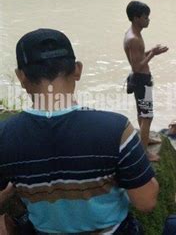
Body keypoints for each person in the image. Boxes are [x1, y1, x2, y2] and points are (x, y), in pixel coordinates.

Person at [0, 29, 159, 233]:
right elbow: (146, 202)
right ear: (77, 70)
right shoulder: (115, 129)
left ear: (21, 77)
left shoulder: (5, 135)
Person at [124, 0, 169, 162]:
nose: (148, 19)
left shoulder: (133, 34)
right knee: (147, 116)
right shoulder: (134, 38)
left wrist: (153, 51)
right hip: (141, 79)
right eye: (145, 17)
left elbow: (138, 57)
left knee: (142, 113)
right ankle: (144, 153)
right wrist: (153, 54)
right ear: (136, 18)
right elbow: (137, 66)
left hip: (140, 80)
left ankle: (145, 138)